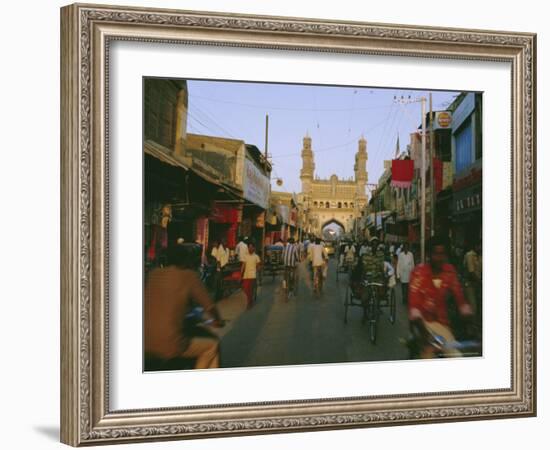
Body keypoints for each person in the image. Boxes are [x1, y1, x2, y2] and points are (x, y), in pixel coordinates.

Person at [144, 242, 223, 369]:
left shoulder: (153, 274)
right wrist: (218, 320)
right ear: (187, 260)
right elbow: (210, 306)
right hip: (170, 345)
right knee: (212, 346)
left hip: (144, 342)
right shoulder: (189, 276)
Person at [408, 236, 474, 358]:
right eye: (436, 254)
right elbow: (414, 307)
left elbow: (459, 297)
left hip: (442, 324)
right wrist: (425, 335)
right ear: (428, 254)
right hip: (421, 324)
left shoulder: (450, 271)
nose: (439, 258)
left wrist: (468, 318)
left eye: (442, 254)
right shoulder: (418, 273)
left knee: (456, 356)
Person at [463, 241, 482, 321]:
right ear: (476, 246)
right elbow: (471, 272)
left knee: (479, 306)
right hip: (469, 284)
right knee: (473, 305)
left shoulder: (480, 256)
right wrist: (481, 282)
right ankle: (470, 327)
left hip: (477, 284)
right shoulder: (469, 255)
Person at [241, 242, 262, 309]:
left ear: (254, 248)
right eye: (249, 247)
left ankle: (249, 303)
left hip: (253, 276)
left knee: (250, 290)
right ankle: (250, 300)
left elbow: (258, 266)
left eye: (251, 247)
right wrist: (241, 273)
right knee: (245, 289)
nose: (249, 248)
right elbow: (243, 265)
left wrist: (259, 273)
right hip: (245, 276)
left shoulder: (256, 256)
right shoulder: (245, 256)